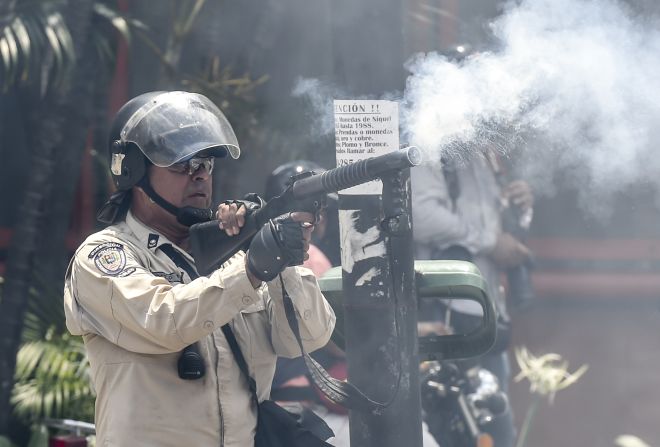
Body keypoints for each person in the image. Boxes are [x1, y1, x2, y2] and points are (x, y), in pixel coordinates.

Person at [63, 91, 336, 446]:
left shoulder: (231, 252)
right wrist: (251, 269)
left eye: (205, 164)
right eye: (181, 164)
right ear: (133, 171)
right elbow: (166, 319)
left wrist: (283, 256)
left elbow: (311, 334)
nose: (199, 176)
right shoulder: (105, 255)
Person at [412, 144, 533, 447]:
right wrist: (490, 242)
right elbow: (422, 214)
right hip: (447, 314)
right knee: (453, 432)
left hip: (489, 313)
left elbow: (495, 227)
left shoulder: (488, 154)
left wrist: (523, 209)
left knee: (497, 428)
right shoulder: (430, 146)